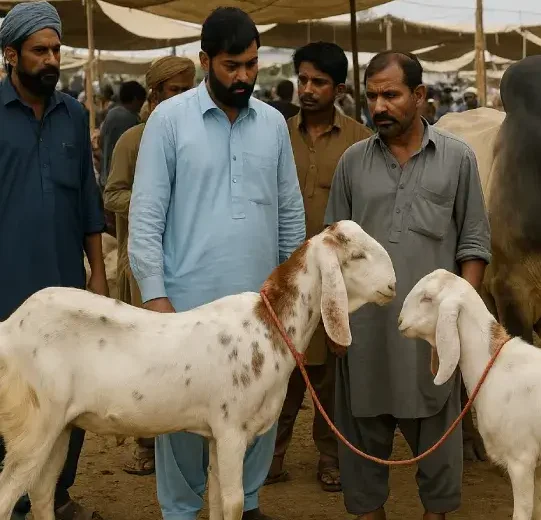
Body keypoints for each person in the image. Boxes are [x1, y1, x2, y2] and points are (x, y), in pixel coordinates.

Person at [129, 7, 305, 520]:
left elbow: (290, 214)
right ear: (205, 60)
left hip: (261, 309)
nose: (245, 76)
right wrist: (156, 300)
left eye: (251, 64)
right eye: (232, 66)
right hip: (186, 308)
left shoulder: (273, 124)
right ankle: (182, 511)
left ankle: (245, 505)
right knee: (182, 422)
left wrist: (289, 296)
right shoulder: (168, 120)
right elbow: (145, 220)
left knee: (256, 414)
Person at [324, 51, 491, 520]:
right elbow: (330, 251)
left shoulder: (457, 159)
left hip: (430, 334)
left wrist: (457, 321)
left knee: (439, 439)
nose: (378, 105)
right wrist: (336, 324)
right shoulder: (352, 163)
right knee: (359, 440)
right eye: (372, 95)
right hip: (364, 335)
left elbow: (474, 243)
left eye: (391, 94)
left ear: (419, 96)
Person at [0, 3, 108, 519]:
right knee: (12, 403)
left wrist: (100, 278)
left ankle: (56, 495)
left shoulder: (74, 115)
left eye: (56, 50)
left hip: (68, 292)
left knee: (71, 399)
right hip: (6, 291)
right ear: (11, 54)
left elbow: (89, 203)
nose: (51, 59)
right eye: (39, 50)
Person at [265, 40, 372, 493]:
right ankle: (269, 458)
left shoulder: (361, 142)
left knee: (329, 374)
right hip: (281, 275)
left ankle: (330, 457)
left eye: (319, 82)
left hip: (336, 280)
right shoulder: (272, 133)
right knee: (280, 371)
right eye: (303, 80)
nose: (307, 90)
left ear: (340, 89)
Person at [103, 55, 196, 478]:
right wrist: (154, 203)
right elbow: (112, 195)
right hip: (142, 263)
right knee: (146, 354)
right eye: (174, 91)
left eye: (188, 90)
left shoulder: (197, 136)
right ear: (155, 94)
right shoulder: (133, 140)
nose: (183, 98)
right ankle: (145, 442)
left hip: (190, 261)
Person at [99, 80, 146, 190]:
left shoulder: (111, 114)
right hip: (121, 183)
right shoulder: (130, 120)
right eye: (141, 102)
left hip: (105, 178)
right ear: (135, 99)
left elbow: (101, 142)